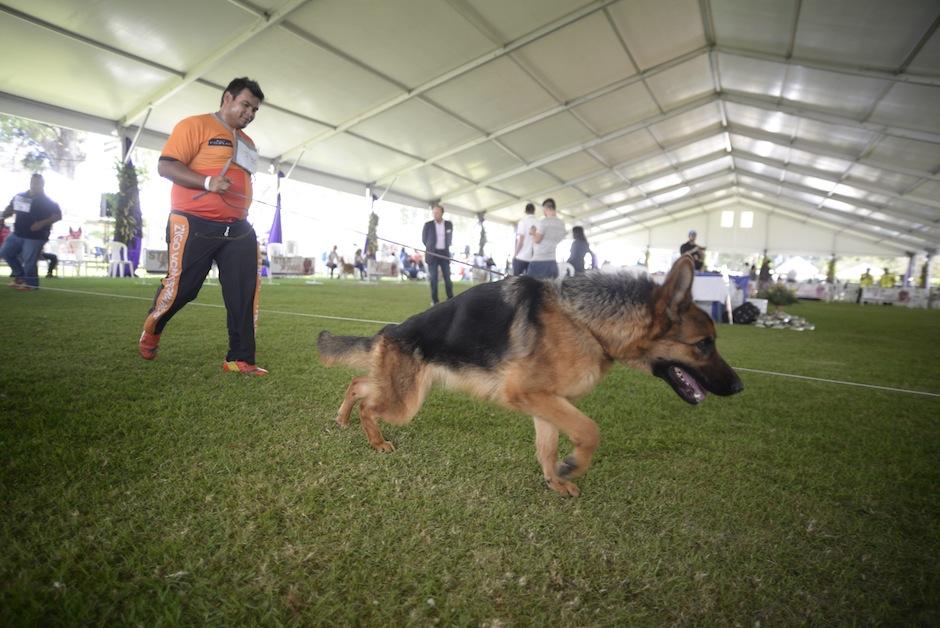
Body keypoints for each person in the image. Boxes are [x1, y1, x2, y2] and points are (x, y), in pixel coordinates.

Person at [138, 77, 268, 376]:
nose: (249, 113)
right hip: (193, 221)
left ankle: (240, 359)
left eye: (254, 110)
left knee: (244, 292)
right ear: (227, 98)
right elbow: (166, 166)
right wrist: (208, 182)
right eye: (245, 105)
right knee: (183, 289)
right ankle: (153, 326)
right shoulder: (194, 125)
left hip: (238, 227)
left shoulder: (248, 143)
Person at [1, 173, 62, 291]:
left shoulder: (48, 202)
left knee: (29, 260)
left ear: (43, 184)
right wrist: (3, 215)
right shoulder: (20, 196)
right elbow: (11, 209)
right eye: (33, 183)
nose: (34, 185)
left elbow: (58, 216)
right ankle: (20, 277)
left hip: (36, 236)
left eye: (37, 183)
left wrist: (42, 223)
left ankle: (31, 284)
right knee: (5, 252)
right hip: (17, 233)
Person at [421, 204, 454, 304]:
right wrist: (430, 247)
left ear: (442, 213)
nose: (435, 214)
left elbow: (449, 237)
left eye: (437, 212)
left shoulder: (448, 224)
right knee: (433, 279)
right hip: (432, 255)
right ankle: (435, 301)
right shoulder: (428, 225)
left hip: (444, 254)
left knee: (447, 278)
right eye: (434, 213)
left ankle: (451, 299)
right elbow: (424, 239)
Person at [527, 198, 566, 279]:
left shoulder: (544, 221)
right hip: (552, 262)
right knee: (550, 286)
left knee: (531, 285)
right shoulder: (561, 223)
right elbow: (560, 238)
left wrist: (533, 232)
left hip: (539, 261)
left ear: (546, 208)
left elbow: (537, 240)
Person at [512, 202, 538, 275]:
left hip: (521, 257)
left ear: (525, 211)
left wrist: (515, 255)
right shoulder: (539, 223)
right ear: (534, 211)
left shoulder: (523, 221)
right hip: (533, 258)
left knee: (516, 280)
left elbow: (521, 241)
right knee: (530, 280)